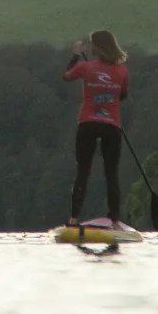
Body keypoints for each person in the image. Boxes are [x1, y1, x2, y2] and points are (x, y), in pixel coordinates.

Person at [62, 29, 130, 226]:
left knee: (83, 172)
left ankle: (74, 219)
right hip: (112, 125)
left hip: (88, 124)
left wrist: (76, 54)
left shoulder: (85, 67)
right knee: (111, 173)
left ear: (96, 47)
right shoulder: (122, 70)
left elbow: (67, 76)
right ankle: (114, 220)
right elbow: (123, 95)